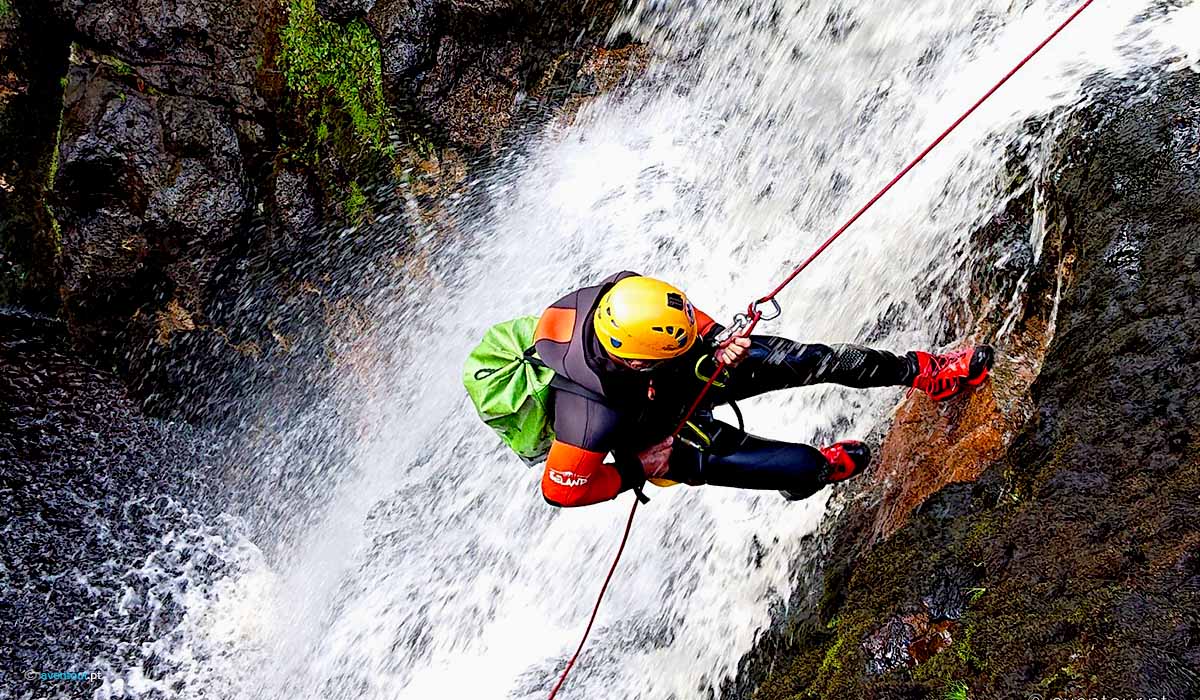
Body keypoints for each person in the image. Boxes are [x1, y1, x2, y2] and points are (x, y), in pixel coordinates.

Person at [533, 271, 993, 507]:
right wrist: (635, 470)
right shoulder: (588, 417)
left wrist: (714, 339)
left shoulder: (631, 295)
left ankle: (923, 372)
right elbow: (562, 491)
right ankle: (811, 474)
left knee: (814, 360)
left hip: (692, 369)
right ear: (637, 359)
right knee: (800, 467)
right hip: (662, 438)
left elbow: (685, 315)